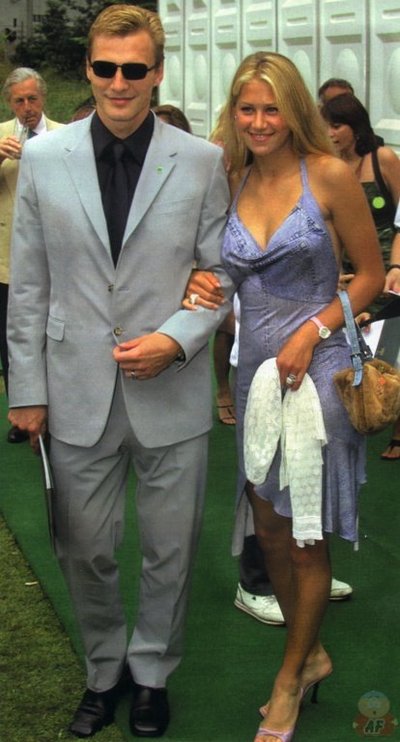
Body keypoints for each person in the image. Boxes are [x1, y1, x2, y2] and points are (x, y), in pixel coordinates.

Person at [7, 4, 232, 739]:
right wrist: (26, 390)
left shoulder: (200, 161)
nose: (118, 82)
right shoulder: (44, 158)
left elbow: (219, 273)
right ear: (89, 68)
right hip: (73, 388)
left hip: (172, 389)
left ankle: (153, 675)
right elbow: (29, 284)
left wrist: (176, 340)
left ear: (157, 72)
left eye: (134, 69)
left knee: (171, 552)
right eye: (105, 67)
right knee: (86, 549)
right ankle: (104, 673)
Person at [184, 51, 384, 741]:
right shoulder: (230, 178)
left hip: (317, 367)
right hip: (254, 374)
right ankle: (312, 653)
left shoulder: (327, 174)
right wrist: (203, 283)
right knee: (268, 526)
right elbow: (219, 273)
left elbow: (370, 274)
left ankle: (289, 679)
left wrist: (314, 330)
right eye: (248, 109)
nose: (260, 121)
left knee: (304, 535)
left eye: (272, 108)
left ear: (293, 110)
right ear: (234, 114)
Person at [320, 93, 400, 460]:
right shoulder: (329, 166)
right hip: (353, 275)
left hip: (391, 269)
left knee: (393, 349)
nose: (330, 133)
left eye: (336, 126)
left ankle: (397, 429)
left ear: (356, 127)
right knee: (356, 346)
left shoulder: (383, 159)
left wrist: (396, 266)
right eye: (326, 126)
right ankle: (363, 412)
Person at [0, 67, 63, 443]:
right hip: (7, 262)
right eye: (19, 101)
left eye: (32, 99)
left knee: (53, 338)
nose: (27, 107)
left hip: (56, 259)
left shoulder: (64, 136)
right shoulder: (0, 137)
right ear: (10, 103)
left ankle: (59, 411)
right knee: (14, 340)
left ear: (43, 98)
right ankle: (22, 413)